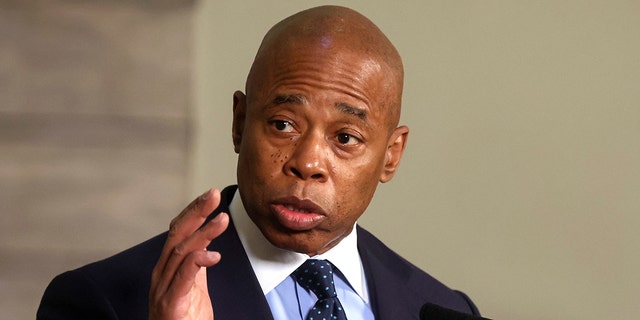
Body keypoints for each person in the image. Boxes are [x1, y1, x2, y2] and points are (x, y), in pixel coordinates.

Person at [37, 5, 480, 320]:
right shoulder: (101, 302)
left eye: (345, 138)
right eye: (284, 125)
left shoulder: (443, 310)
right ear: (239, 123)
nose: (307, 163)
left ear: (391, 156)